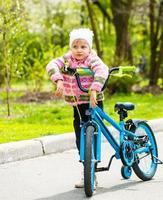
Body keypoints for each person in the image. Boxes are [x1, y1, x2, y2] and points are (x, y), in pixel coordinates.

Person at [46, 28, 109, 188]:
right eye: (75, 46)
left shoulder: (92, 59)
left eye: (83, 46)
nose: (79, 50)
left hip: (93, 101)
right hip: (77, 103)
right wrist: (58, 79)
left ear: (89, 48)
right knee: (80, 135)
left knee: (93, 133)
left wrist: (95, 88)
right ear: (70, 48)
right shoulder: (67, 59)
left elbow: (102, 70)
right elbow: (51, 64)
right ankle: (86, 169)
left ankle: (91, 172)